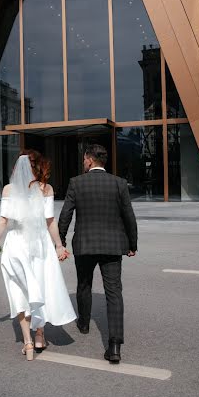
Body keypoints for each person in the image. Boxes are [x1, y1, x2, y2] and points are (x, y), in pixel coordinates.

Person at [0, 150, 76, 361]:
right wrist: (59, 246)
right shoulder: (46, 189)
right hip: (40, 244)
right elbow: (50, 221)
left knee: (20, 291)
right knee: (40, 287)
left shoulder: (9, 190)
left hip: (16, 243)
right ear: (37, 166)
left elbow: (3, 221)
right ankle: (40, 336)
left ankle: (28, 342)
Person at [58, 144, 138, 364]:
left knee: (84, 284)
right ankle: (114, 346)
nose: (83, 163)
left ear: (90, 160)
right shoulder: (119, 183)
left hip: (84, 244)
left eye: (84, 159)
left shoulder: (76, 182)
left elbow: (65, 214)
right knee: (114, 292)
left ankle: (83, 324)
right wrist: (133, 244)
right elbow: (129, 216)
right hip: (113, 246)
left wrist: (60, 242)